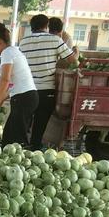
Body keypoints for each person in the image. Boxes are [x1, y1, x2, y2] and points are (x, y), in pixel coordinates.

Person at [19, 14, 77, 148]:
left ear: (32, 27)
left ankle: (21, 147)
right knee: (40, 125)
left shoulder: (23, 42)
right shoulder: (55, 40)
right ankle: (34, 147)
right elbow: (72, 61)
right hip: (46, 91)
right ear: (46, 26)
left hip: (27, 89)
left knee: (25, 122)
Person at [0, 23, 38, 149]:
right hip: (27, 97)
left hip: (23, 99)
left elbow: (5, 79)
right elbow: (12, 84)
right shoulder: (14, 51)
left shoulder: (7, 53)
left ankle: (22, 163)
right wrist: (2, 98)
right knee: (8, 136)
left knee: (17, 138)